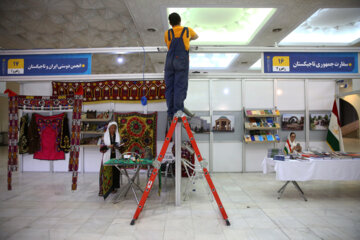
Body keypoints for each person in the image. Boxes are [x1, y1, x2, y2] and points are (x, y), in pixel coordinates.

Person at [164, 12, 198, 119]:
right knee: (179, 86)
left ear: (170, 23)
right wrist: (188, 39)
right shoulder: (187, 30)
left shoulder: (167, 33)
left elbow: (167, 44)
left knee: (169, 87)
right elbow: (196, 36)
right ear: (180, 21)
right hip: (181, 61)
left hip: (169, 62)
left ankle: (170, 113)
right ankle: (178, 111)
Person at [99, 122, 121, 199]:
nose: (113, 129)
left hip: (115, 156)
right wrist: (109, 146)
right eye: (112, 128)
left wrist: (118, 147)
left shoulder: (117, 136)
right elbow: (101, 148)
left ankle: (114, 188)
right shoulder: (104, 137)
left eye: (114, 128)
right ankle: (106, 189)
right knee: (107, 172)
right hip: (107, 157)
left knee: (115, 172)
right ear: (108, 128)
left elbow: (120, 147)